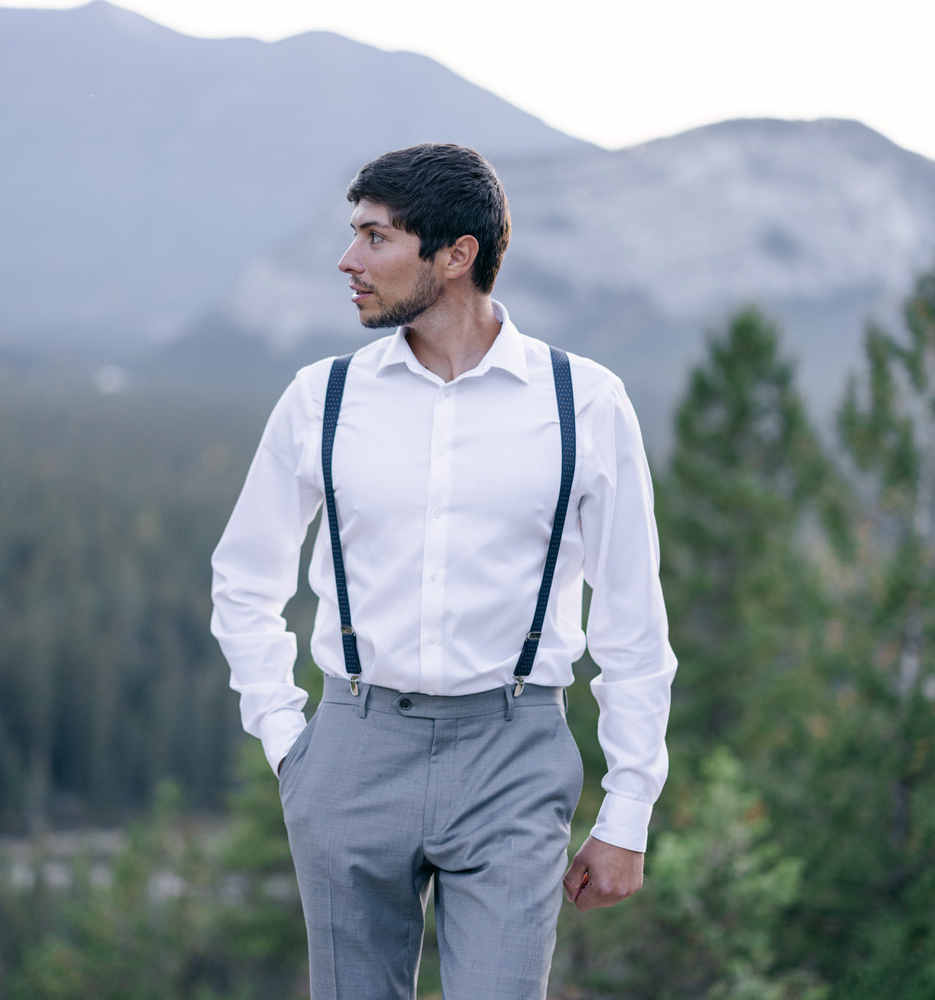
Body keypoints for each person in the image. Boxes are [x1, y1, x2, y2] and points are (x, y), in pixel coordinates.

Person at [210, 143, 675, 1000]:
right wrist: (288, 742)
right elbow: (244, 580)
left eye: (376, 238)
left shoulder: (586, 404)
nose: (350, 261)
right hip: (352, 749)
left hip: (513, 753)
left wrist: (629, 811)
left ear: (456, 255)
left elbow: (634, 625)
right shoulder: (323, 397)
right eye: (355, 235)